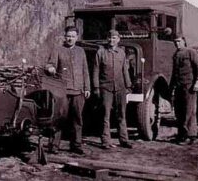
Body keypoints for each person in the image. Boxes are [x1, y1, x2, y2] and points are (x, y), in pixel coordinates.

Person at [45, 25, 91, 155]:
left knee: (77, 119)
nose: (70, 39)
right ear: (64, 37)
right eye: (68, 36)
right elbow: (50, 64)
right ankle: (54, 145)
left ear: (77, 38)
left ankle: (76, 145)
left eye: (73, 36)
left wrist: (87, 87)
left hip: (78, 91)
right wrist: (50, 68)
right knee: (59, 118)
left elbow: (85, 71)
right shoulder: (58, 50)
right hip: (62, 91)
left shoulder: (81, 51)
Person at [93, 29, 133, 149]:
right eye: (110, 38)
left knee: (121, 114)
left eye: (114, 38)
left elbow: (125, 70)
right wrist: (96, 87)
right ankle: (105, 141)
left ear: (118, 39)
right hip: (106, 87)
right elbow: (96, 70)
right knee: (105, 114)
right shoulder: (100, 52)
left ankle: (124, 140)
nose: (112, 40)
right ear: (107, 39)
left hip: (120, 87)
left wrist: (128, 85)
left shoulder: (121, 52)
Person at [169, 34, 198, 145]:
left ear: (184, 41)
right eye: (175, 42)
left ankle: (190, 135)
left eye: (178, 41)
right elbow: (174, 72)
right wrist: (171, 86)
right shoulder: (176, 54)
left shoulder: (190, 52)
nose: (177, 43)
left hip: (189, 86)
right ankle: (181, 135)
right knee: (179, 111)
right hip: (179, 86)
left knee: (189, 110)